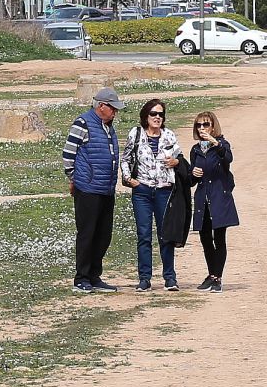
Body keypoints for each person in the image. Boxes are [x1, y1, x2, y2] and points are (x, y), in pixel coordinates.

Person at [62, 86, 124, 292]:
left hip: (106, 189)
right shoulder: (83, 123)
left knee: (104, 234)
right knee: (87, 233)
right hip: (87, 188)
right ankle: (81, 278)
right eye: (112, 108)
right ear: (101, 106)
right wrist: (75, 178)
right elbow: (68, 154)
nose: (115, 112)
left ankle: (94, 275)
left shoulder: (108, 126)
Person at [122, 97, 183, 291]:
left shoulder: (169, 136)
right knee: (144, 235)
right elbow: (126, 158)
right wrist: (128, 179)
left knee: (166, 235)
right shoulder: (136, 133)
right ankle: (145, 278)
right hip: (142, 191)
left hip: (164, 190)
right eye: (153, 114)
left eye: (161, 114)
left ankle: (170, 278)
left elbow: (179, 157)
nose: (157, 117)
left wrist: (176, 162)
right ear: (145, 116)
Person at [187, 110, 238, 292]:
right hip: (203, 199)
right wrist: (192, 173)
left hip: (219, 198)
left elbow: (228, 159)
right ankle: (211, 275)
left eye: (206, 124)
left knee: (220, 239)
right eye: (199, 125)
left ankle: (217, 277)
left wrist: (215, 143)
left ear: (213, 126)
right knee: (205, 239)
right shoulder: (195, 150)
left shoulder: (221, 145)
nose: (202, 128)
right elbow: (191, 181)